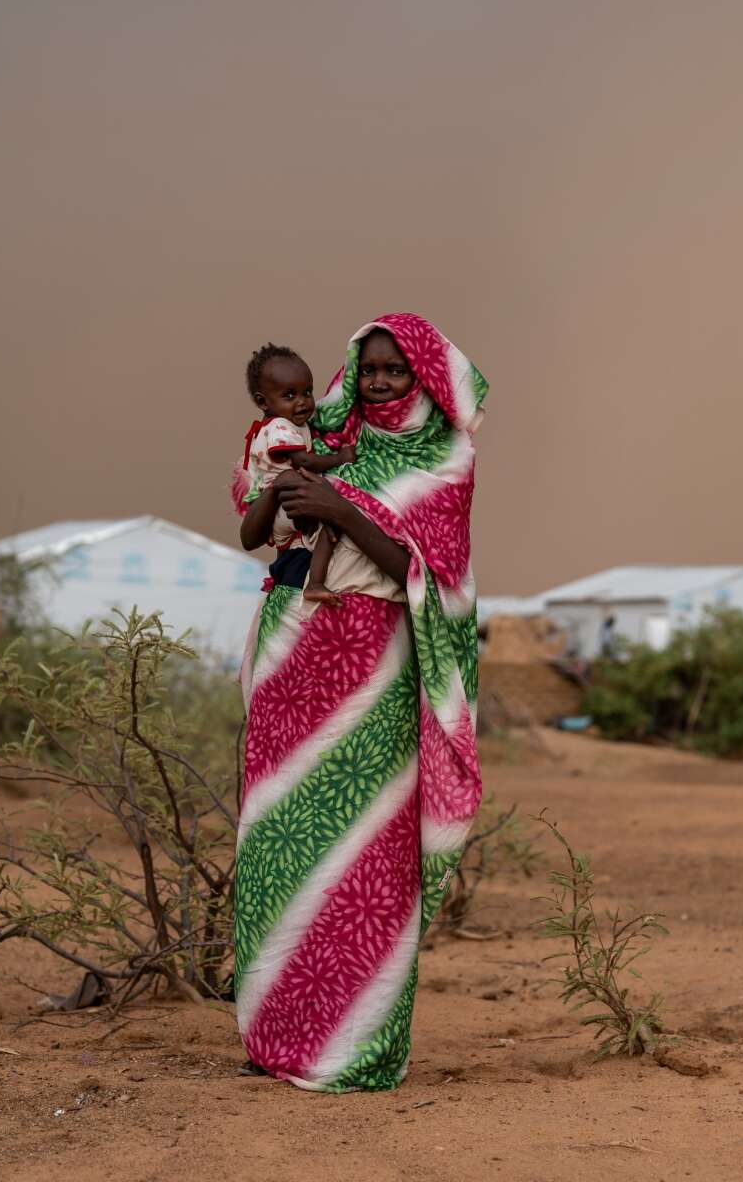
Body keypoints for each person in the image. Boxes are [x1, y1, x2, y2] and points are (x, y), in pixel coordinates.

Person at [233, 313, 487, 1092]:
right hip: (294, 658)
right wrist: (297, 497)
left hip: (376, 667)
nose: (377, 382)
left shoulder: (443, 461)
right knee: (277, 844)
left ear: (426, 381)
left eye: (394, 371)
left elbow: (434, 576)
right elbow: (263, 518)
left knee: (364, 854)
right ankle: (273, 1033)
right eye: (368, 368)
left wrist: (342, 510)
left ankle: (354, 1047)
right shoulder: (328, 439)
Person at [235, 344, 354, 606]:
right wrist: (340, 458)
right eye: (289, 395)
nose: (302, 401)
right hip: (283, 505)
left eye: (307, 392)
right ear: (262, 402)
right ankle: (315, 583)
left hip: (286, 503)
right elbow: (304, 461)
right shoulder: (280, 427)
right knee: (332, 525)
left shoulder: (287, 424)